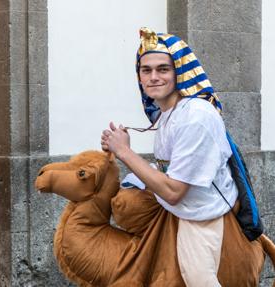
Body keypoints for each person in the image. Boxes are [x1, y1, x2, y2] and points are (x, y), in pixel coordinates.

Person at [101, 28, 238, 287]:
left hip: (200, 212)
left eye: (163, 69)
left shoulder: (195, 116)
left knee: (197, 278)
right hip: (173, 205)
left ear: (179, 71)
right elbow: (169, 170)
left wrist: (124, 152)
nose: (153, 77)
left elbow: (175, 192)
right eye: (146, 70)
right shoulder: (168, 114)